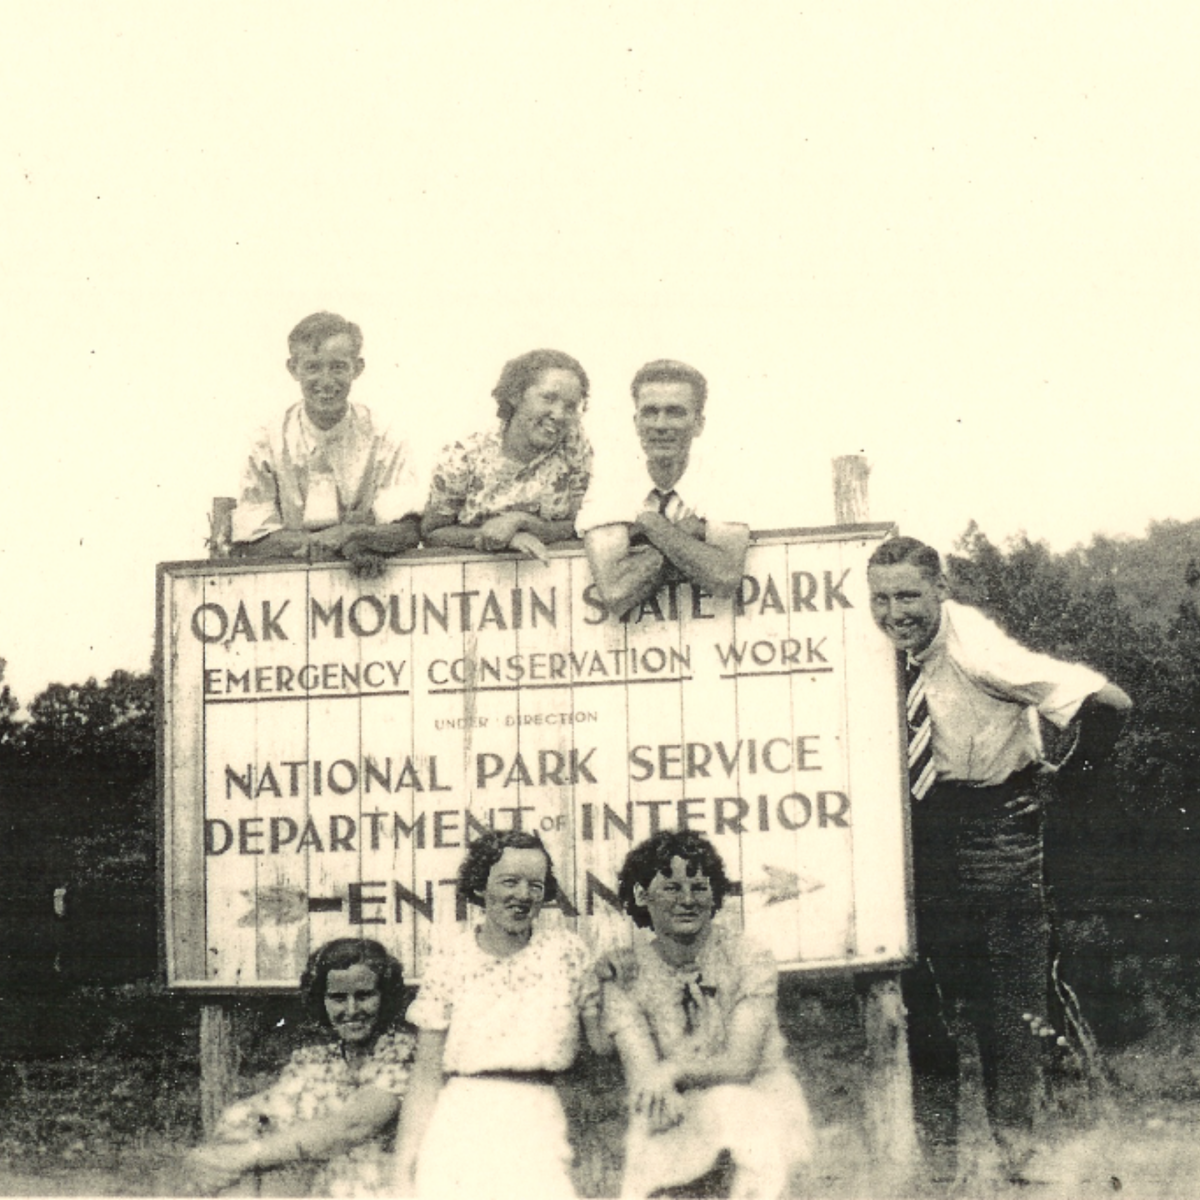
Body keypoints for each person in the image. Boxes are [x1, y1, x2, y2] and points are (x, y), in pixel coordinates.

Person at [866, 535, 1133, 1179]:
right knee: (918, 989)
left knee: (1007, 994)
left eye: (908, 596)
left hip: (992, 822)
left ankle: (1020, 1152)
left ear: (940, 589)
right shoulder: (875, 649)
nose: (894, 612)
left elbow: (1108, 703)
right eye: (880, 598)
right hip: (911, 825)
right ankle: (940, 1163)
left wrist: (1067, 778)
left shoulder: (976, 649)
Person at [393, 829, 606, 1199]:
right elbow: (426, 1076)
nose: (523, 895)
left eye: (535, 886)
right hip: (460, 1118)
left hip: (538, 1116)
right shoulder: (451, 958)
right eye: (510, 882)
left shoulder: (567, 953)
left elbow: (601, 1044)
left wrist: (625, 981)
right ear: (480, 887)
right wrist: (402, 1167)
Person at [602, 830, 813, 1200]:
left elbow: (741, 1063)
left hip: (758, 1096)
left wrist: (674, 1070)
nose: (687, 901)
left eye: (699, 888)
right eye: (671, 888)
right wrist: (664, 1088)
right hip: (676, 1104)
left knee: (741, 1120)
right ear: (641, 895)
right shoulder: (628, 973)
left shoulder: (748, 956)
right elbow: (646, 1080)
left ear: (714, 895)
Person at [186, 937, 416, 1197]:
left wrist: (248, 1155)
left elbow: (354, 1125)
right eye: (338, 998)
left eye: (364, 996)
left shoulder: (403, 1053)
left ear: (385, 997)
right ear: (322, 1001)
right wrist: (213, 1159)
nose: (352, 1010)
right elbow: (248, 1117)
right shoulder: (313, 1062)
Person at [232, 312, 423, 577]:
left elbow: (408, 530)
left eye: (338, 367)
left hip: (366, 581)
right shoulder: (267, 440)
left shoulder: (385, 436)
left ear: (357, 368)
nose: (326, 380)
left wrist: (351, 533)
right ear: (293, 368)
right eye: (312, 367)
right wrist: (345, 544)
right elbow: (251, 539)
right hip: (288, 583)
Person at [576, 359, 749, 617]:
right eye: (650, 412)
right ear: (636, 422)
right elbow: (615, 592)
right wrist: (666, 529)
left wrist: (649, 530)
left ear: (699, 423)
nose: (660, 425)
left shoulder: (721, 479)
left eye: (675, 412)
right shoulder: (611, 482)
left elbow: (724, 577)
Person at [422, 349, 593, 563]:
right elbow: (432, 532)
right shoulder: (463, 457)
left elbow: (580, 523)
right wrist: (499, 538)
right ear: (515, 395)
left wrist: (522, 522)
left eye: (570, 406)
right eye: (548, 398)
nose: (559, 415)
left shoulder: (573, 445)